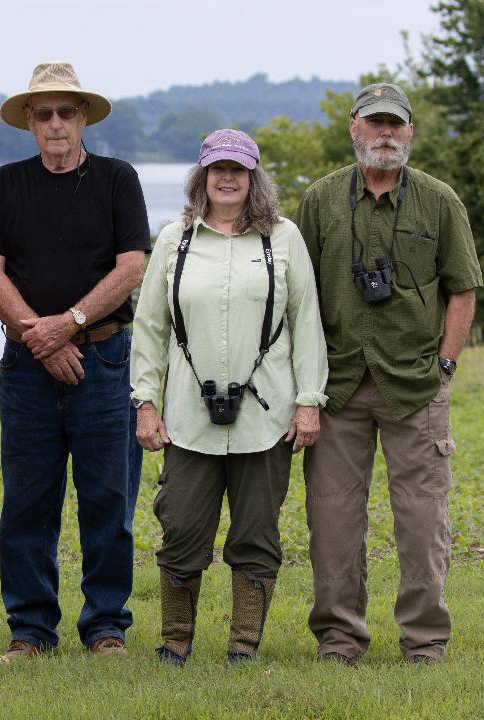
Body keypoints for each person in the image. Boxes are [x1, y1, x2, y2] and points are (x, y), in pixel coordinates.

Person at [294, 83, 482, 666]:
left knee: (423, 520)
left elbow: (463, 290)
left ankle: (424, 642)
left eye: (395, 124)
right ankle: (339, 639)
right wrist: (304, 383)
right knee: (333, 519)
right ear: (354, 127)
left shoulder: (440, 200)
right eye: (375, 122)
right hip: (338, 386)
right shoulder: (320, 199)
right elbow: (297, 295)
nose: (385, 133)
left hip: (416, 384)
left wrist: (445, 365)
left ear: (410, 132)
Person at [131, 129, 328, 666]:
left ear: (253, 177)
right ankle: (175, 642)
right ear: (201, 176)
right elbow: (149, 327)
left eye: (237, 170)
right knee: (180, 526)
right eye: (217, 169)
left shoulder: (283, 238)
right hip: (188, 416)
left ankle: (243, 646)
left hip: (267, 417)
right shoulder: (175, 239)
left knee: (257, 532)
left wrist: (309, 400)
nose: (226, 178)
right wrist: (145, 402)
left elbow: (306, 323)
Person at [0, 62, 150, 657]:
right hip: (27, 367)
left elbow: (132, 267)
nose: (56, 123)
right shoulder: (5, 183)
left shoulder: (117, 179)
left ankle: (105, 625)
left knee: (109, 498)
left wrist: (68, 324)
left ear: (83, 119)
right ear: (29, 119)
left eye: (66, 112)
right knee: (28, 500)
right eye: (44, 112)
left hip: (104, 359)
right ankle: (29, 629)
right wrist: (40, 338)